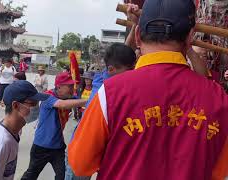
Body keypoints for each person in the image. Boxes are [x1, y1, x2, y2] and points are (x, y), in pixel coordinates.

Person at [69, 0, 228, 179]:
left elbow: (80, 164)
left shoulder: (111, 93)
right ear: (190, 37)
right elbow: (219, 172)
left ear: (137, 35)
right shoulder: (218, 99)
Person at [65, 43, 137, 180]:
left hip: (96, 148)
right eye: (129, 70)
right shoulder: (106, 88)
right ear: (111, 69)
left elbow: (120, 54)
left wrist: (134, 28)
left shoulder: (107, 75)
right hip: (82, 150)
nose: (132, 74)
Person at [0, 80, 49, 180]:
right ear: (16, 105)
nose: (37, 107)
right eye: (33, 103)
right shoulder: (0, 143)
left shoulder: (14, 131)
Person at [21, 72, 88, 180]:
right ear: (59, 87)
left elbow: (79, 104)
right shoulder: (47, 97)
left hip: (58, 147)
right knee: (31, 175)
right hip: (41, 146)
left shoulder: (69, 98)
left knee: (62, 176)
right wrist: (89, 101)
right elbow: (62, 104)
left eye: (73, 86)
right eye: (69, 86)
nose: (72, 88)